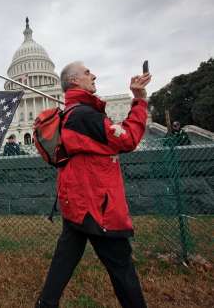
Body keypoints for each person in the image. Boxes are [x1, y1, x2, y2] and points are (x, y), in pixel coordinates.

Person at [36, 61, 151, 308]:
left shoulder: (71, 114)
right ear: (75, 81)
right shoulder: (85, 116)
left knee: (62, 265)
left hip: (75, 202)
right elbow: (128, 139)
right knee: (122, 270)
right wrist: (140, 101)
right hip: (96, 207)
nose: (94, 75)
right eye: (88, 73)